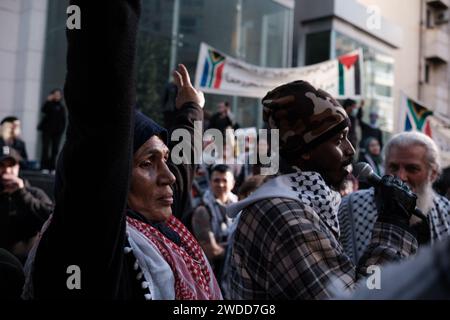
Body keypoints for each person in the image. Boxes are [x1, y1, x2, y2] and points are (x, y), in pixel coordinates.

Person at [23, 0, 221, 300]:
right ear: (110, 177)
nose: (168, 176)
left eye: (165, 159)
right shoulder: (89, 239)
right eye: (147, 163)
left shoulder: (154, 223)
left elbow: (179, 173)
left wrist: (191, 110)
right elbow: (102, 107)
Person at [226, 80, 419, 300]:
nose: (350, 150)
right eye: (339, 140)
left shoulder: (298, 203)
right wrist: (393, 228)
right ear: (305, 150)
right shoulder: (286, 217)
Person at [339, 131, 450, 264]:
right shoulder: (351, 206)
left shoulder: (446, 211)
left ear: (432, 174)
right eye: (393, 167)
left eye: (412, 169)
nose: (400, 176)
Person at [0, 146, 53, 262]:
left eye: (11, 165)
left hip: (27, 262)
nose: (7, 170)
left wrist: (21, 193)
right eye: (2, 166)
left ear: (18, 167)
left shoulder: (34, 193)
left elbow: (50, 218)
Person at [191, 164, 238, 279]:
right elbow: (211, 251)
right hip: (212, 275)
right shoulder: (202, 209)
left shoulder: (238, 204)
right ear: (210, 182)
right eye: (216, 180)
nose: (221, 184)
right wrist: (237, 252)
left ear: (233, 183)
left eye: (225, 180)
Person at [38, 88, 66, 172]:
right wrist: (48, 101)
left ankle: (52, 167)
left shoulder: (61, 107)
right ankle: (44, 167)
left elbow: (63, 120)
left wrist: (61, 130)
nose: (57, 96)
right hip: (47, 130)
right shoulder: (49, 104)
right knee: (45, 149)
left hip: (57, 132)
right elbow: (43, 110)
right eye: (55, 94)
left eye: (59, 95)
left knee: (55, 150)